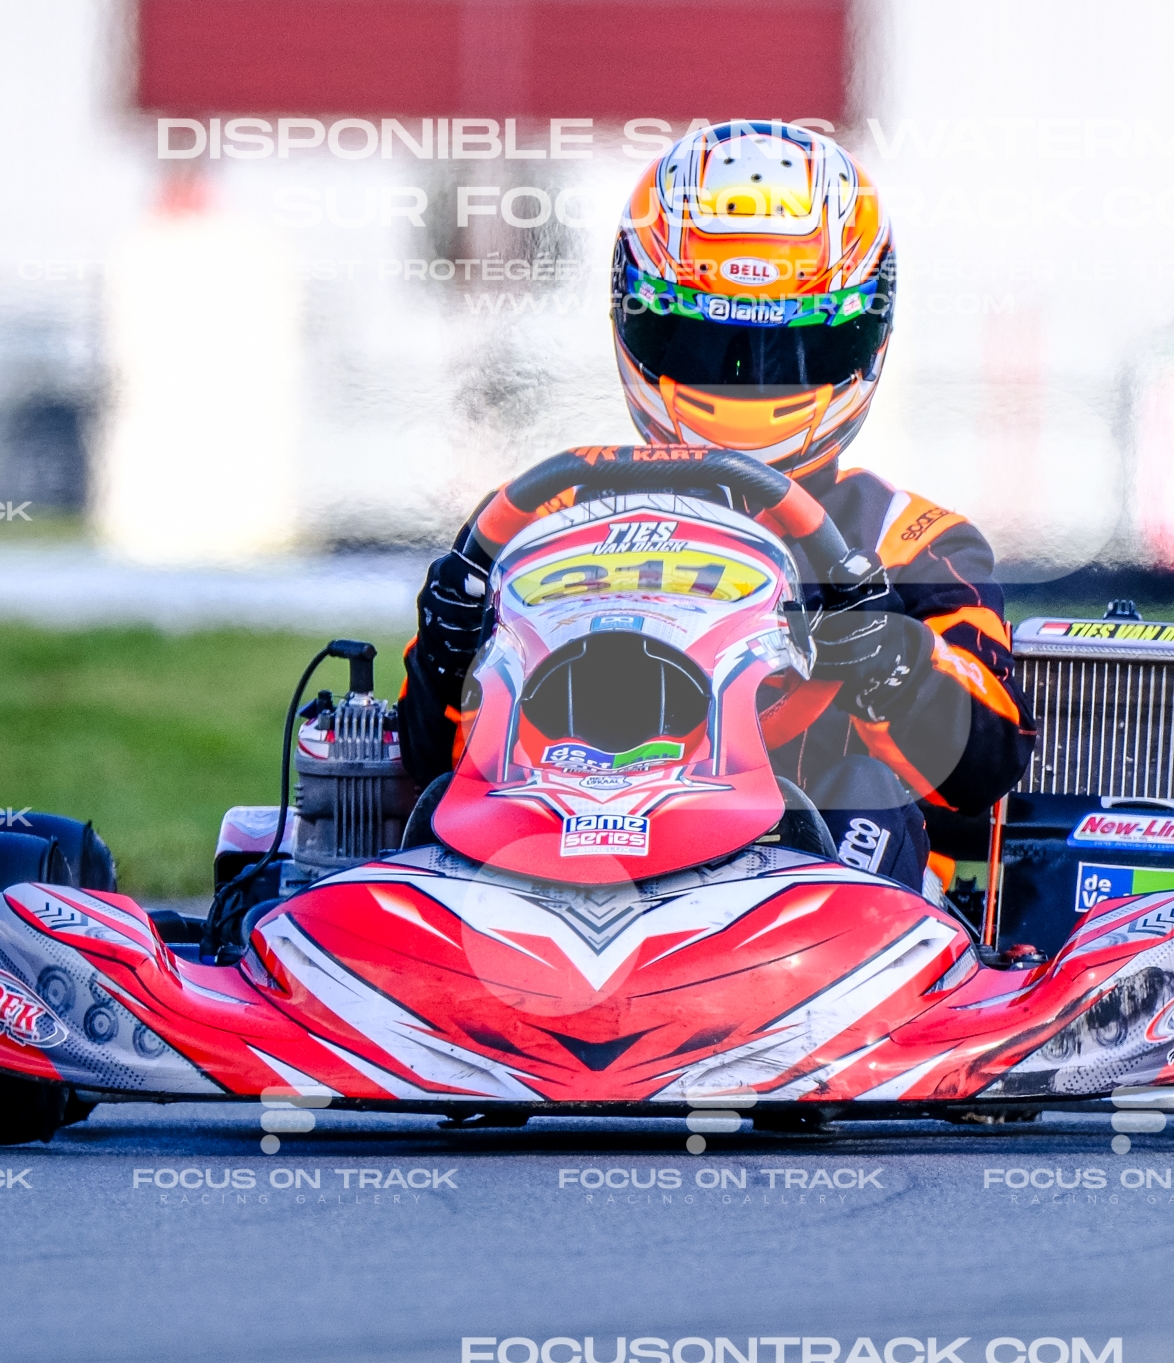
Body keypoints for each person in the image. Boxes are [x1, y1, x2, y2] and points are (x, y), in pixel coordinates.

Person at [395, 120, 1034, 894]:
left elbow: (984, 770)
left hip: (812, 900)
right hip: (564, 861)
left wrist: (890, 659)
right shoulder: (545, 519)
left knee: (866, 793)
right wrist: (444, 657)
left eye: (792, 347)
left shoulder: (909, 542)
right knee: (437, 808)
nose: (749, 377)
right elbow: (429, 765)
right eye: (705, 343)